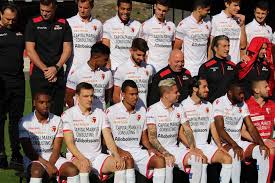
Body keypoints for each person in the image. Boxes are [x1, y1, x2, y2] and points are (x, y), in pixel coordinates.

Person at [62, 82, 126, 183]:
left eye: (91, 96)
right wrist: (82, 158)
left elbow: (108, 139)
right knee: (84, 167)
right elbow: (69, 143)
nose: (90, 99)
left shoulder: (100, 113)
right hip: (77, 156)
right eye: (86, 96)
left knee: (119, 165)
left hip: (97, 156)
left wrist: (116, 155)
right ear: (77, 97)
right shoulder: (68, 114)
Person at [106, 80, 166, 183]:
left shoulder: (142, 110)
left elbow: (144, 138)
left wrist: (151, 149)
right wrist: (120, 151)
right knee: (128, 161)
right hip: (117, 151)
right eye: (132, 94)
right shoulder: (111, 111)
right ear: (123, 94)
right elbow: (105, 140)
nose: (135, 97)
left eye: (136, 94)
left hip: (137, 151)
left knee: (160, 161)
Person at [146, 78, 203, 183]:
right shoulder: (152, 110)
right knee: (168, 163)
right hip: (159, 150)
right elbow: (152, 138)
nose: (179, 94)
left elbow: (187, 129)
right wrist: (165, 153)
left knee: (197, 158)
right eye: (176, 92)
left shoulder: (179, 107)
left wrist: (192, 148)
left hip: (175, 149)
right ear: (166, 94)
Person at [213, 81, 270, 183]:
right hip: (223, 143)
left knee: (263, 151)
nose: (242, 95)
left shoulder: (242, 104)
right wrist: (234, 145)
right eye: (239, 93)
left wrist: (262, 143)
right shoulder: (219, 102)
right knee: (236, 153)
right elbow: (220, 130)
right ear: (230, 93)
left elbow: (251, 127)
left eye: (243, 93)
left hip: (237, 142)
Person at [180, 76, 232, 183]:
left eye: (207, 87)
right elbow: (180, 133)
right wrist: (193, 148)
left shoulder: (208, 105)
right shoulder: (183, 105)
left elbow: (213, 128)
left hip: (204, 145)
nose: (207, 90)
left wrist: (219, 146)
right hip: (187, 147)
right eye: (204, 87)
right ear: (195, 89)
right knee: (200, 159)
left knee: (227, 158)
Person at [19, 92, 80, 183]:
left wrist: (50, 165)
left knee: (72, 170)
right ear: (34, 103)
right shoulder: (25, 121)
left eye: (48, 102)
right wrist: (48, 165)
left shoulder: (57, 120)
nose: (45, 105)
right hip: (34, 158)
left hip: (53, 157)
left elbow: (56, 149)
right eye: (41, 102)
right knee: (37, 171)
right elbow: (28, 151)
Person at [25, 0, 72, 116]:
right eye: (42, 10)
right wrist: (46, 70)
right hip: (39, 74)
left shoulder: (63, 23)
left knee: (56, 112)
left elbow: (67, 49)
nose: (44, 13)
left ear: (55, 8)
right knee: (39, 112)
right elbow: (30, 50)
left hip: (57, 72)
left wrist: (56, 68)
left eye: (48, 11)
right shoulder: (33, 23)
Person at [0, 3, 25, 168]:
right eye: (8, 18)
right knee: (0, 119)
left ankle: (16, 154)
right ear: (0, 14)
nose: (11, 22)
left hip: (18, 82)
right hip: (1, 82)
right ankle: (1, 154)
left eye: (13, 19)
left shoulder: (20, 30)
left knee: (16, 120)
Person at [243, 80, 275, 183]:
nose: (269, 89)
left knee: (271, 147)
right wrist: (261, 141)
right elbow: (242, 131)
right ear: (256, 90)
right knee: (270, 149)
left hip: (270, 141)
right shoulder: (246, 105)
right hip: (253, 143)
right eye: (265, 87)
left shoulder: (272, 105)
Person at [65, 42, 113, 109]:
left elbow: (108, 96)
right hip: (81, 116)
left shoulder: (108, 73)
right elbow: (68, 97)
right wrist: (77, 111)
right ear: (96, 57)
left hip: (100, 115)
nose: (107, 62)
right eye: (105, 59)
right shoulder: (77, 73)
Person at [66, 0, 103, 78]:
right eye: (80, 7)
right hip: (73, 68)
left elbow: (99, 46)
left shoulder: (98, 24)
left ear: (91, 7)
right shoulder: (69, 22)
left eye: (86, 8)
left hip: (92, 69)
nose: (82, 10)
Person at [174, 0, 211, 76]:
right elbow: (176, 48)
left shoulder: (208, 23)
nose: (209, 12)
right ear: (199, 9)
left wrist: (209, 62)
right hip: (189, 68)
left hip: (203, 68)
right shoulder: (184, 24)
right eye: (207, 10)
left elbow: (209, 45)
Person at [113, 38, 154, 107]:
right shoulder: (121, 69)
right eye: (138, 55)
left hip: (143, 112)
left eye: (143, 55)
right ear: (131, 51)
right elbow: (116, 96)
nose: (141, 58)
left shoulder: (149, 68)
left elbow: (149, 91)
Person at [102, 0, 141, 71]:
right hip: (115, 68)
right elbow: (105, 48)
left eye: (128, 9)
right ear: (117, 8)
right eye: (123, 9)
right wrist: (108, 66)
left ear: (131, 9)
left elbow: (139, 49)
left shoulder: (137, 25)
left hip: (132, 69)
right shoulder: (108, 24)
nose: (125, 12)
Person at [198, 35, 237, 103]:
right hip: (212, 105)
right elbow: (201, 88)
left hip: (230, 106)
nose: (227, 49)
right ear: (215, 48)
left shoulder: (233, 66)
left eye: (228, 46)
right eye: (224, 46)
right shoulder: (206, 67)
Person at [139, 0, 175, 72]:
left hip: (168, 67)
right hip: (152, 67)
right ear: (155, 6)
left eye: (164, 11)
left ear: (168, 10)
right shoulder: (146, 25)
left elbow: (173, 45)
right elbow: (141, 47)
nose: (161, 13)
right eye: (159, 9)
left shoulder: (172, 25)